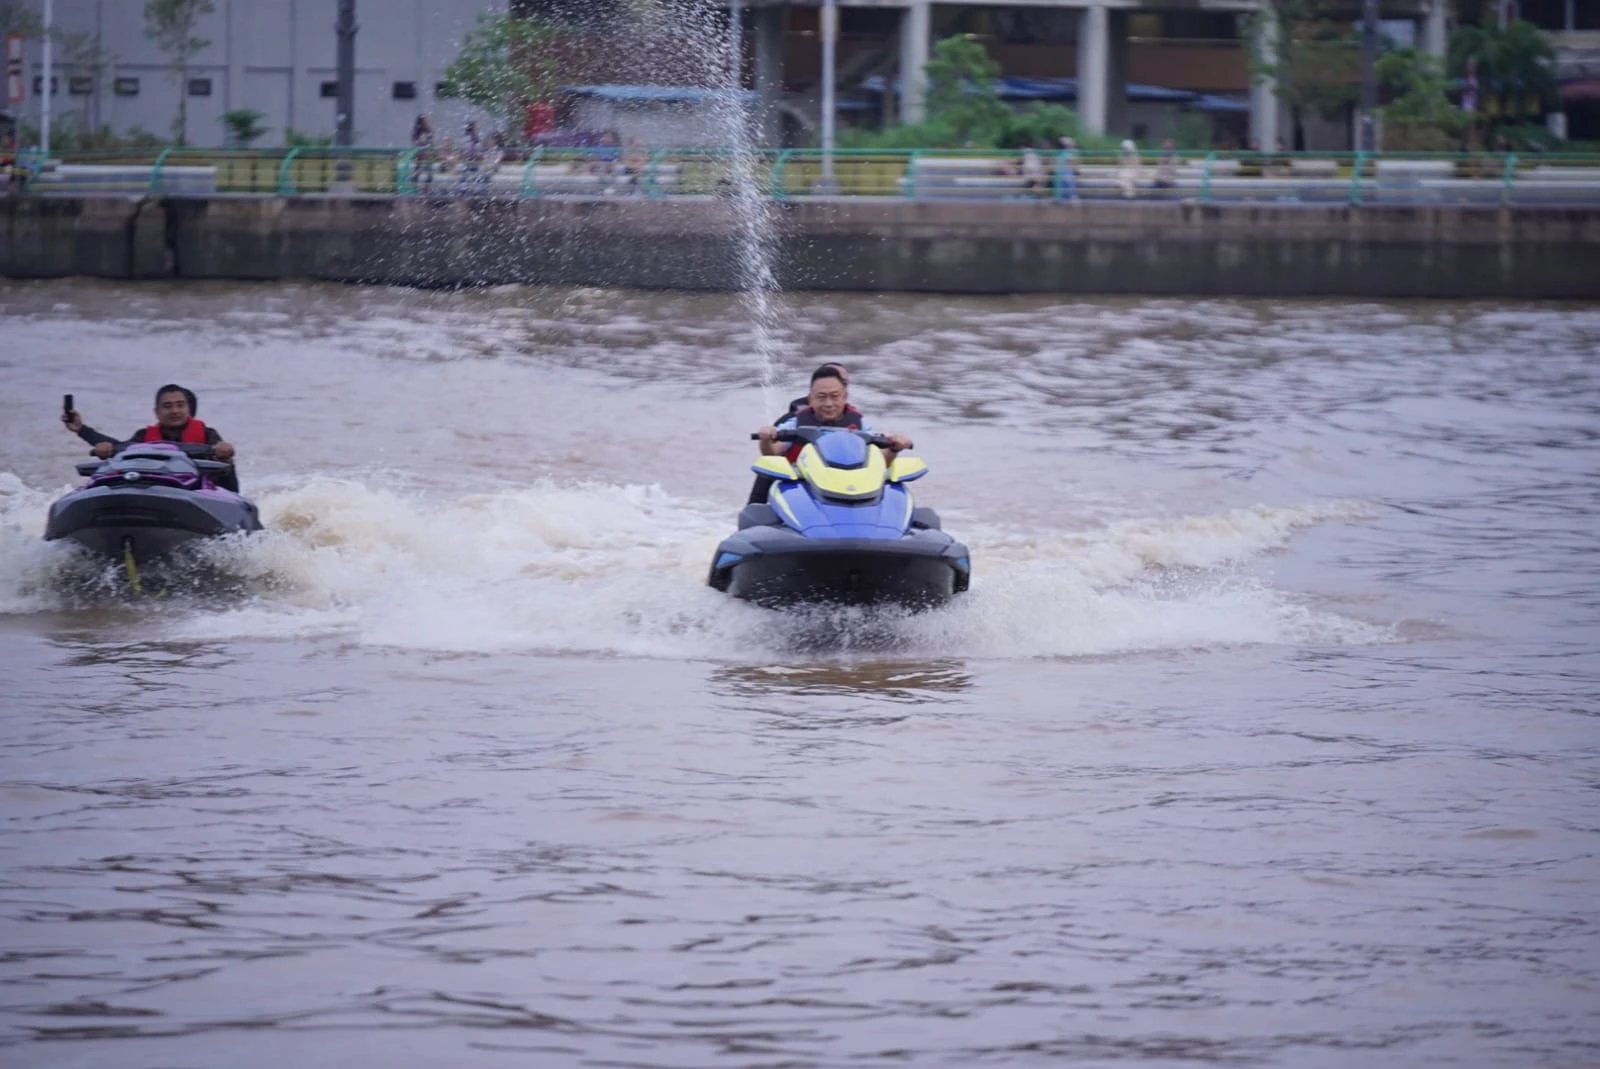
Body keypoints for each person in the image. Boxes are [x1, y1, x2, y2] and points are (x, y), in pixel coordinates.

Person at [63, 384, 240, 493]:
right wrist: (82, 430)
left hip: (196, 492)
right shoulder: (143, 437)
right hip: (155, 491)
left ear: (188, 409)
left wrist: (225, 455)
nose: (175, 411)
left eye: (180, 405)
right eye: (168, 406)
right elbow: (118, 448)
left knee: (228, 463)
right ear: (156, 412)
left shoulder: (208, 435)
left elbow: (227, 479)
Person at [756, 364, 912, 466]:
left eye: (835, 396)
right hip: (804, 487)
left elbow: (880, 461)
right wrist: (766, 439)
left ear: (845, 397)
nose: (829, 403)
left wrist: (894, 448)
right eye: (821, 397)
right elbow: (772, 452)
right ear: (810, 399)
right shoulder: (796, 423)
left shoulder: (859, 425)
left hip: (848, 487)